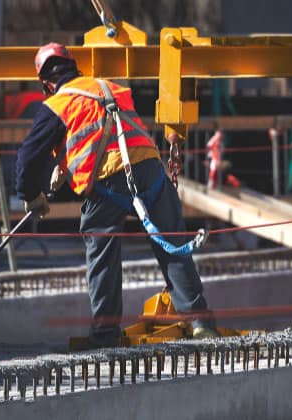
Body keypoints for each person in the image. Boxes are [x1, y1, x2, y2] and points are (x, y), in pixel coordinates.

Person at [16, 42, 217, 347]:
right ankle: (201, 323)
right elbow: (103, 130)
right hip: (150, 168)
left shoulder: (57, 104)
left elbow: (29, 156)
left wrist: (31, 194)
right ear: (74, 67)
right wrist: (65, 164)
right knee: (172, 243)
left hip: (109, 179)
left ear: (46, 83)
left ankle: (105, 334)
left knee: (102, 252)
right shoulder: (110, 87)